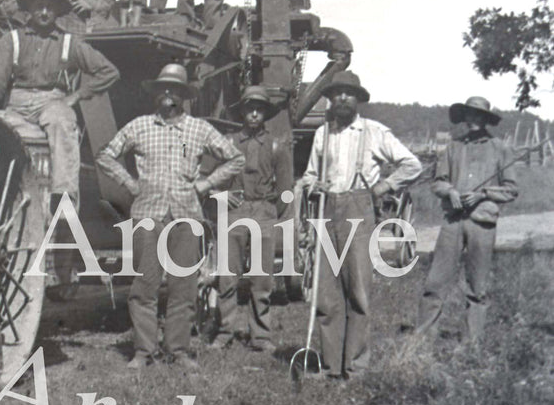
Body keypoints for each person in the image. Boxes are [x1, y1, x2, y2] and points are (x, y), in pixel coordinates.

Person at [97, 64, 244, 368]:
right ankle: (143, 351)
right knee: (145, 284)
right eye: (164, 89)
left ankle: (178, 349)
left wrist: (205, 184)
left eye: (175, 90)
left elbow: (235, 158)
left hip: (186, 215)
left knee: (183, 284)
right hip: (147, 214)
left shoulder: (199, 129)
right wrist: (129, 183)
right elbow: (105, 155)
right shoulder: (138, 127)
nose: (169, 95)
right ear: (156, 94)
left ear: (184, 96)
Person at [296, 71, 424, 380]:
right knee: (327, 294)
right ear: (330, 99)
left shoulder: (374, 131)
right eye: (337, 93)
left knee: (358, 292)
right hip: (327, 211)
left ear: (357, 100)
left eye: (348, 94)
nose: (342, 98)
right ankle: (330, 367)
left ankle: (355, 368)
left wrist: (382, 188)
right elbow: (310, 174)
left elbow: (412, 164)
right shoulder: (322, 133)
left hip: (358, 210)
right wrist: (314, 185)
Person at [0, 0, 119, 204]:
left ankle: (63, 196)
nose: (44, 12)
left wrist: (77, 95)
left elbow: (108, 71)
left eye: (49, 7)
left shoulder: (69, 42)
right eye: (38, 6)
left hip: (51, 102)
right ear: (29, 9)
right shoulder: (12, 40)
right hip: (17, 105)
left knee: (62, 122)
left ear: (57, 11)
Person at [416, 96, 519, 346]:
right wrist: (450, 191)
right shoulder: (453, 147)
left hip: (482, 223)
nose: (474, 120)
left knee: (477, 287)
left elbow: (511, 189)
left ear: (486, 119)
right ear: (464, 118)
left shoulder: (500, 149)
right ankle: (421, 342)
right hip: (453, 220)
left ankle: (471, 345)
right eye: (469, 115)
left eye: (479, 116)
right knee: (435, 282)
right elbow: (438, 181)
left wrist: (483, 194)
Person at [214, 86, 292, 353]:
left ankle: (260, 335)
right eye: (250, 108)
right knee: (228, 275)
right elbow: (206, 176)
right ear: (243, 112)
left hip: (264, 211)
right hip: (234, 212)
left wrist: (269, 211)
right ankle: (225, 331)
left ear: (266, 113)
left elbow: (286, 190)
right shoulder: (228, 143)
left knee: (261, 278)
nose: (254, 113)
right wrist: (221, 196)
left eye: (259, 109)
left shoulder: (276, 145)